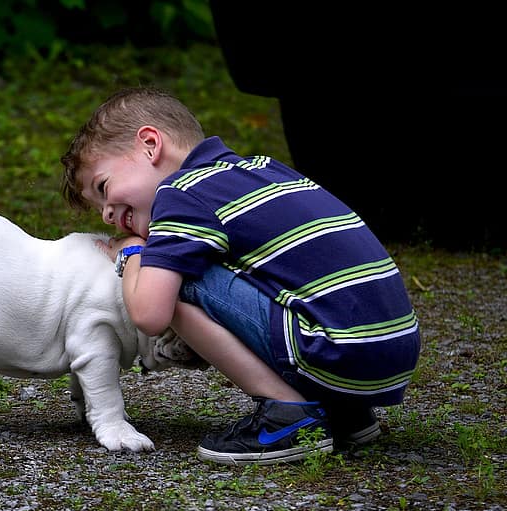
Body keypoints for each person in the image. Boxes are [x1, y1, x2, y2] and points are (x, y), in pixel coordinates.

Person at [59, 86, 421, 465]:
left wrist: (133, 252)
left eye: (103, 188)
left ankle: (288, 415)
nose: (106, 216)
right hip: (390, 353)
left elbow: (150, 314)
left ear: (150, 144)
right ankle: (344, 413)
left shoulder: (182, 195)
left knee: (177, 276)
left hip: (336, 350)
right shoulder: (263, 169)